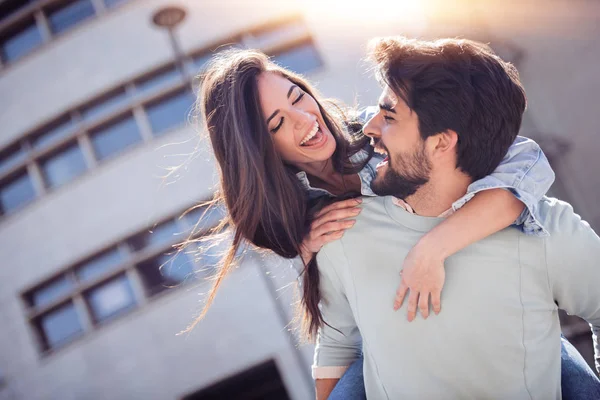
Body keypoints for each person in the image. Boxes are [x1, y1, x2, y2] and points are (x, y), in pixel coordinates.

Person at [189, 48, 598, 399]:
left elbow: (522, 163)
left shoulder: (379, 130)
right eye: (277, 123)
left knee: (561, 373)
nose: (303, 118)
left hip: (487, 319)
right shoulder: (295, 216)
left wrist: (432, 247)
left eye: (298, 97)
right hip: (381, 336)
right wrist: (308, 247)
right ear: (260, 151)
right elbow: (336, 333)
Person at [313, 36, 600, 399]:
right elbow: (338, 346)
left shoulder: (546, 230)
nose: (369, 129)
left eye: (389, 116)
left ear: (441, 143)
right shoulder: (344, 232)